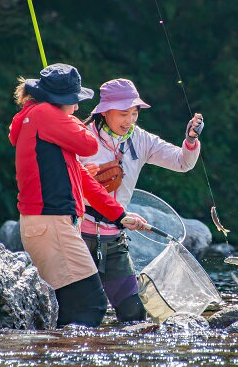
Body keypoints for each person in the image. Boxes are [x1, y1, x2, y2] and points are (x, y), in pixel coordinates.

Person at [8, 63, 145, 328]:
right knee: (90, 305)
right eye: (73, 102)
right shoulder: (46, 114)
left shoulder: (40, 120)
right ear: (60, 101)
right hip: (52, 225)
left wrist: (120, 215)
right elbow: (90, 144)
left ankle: (54, 362)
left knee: (70, 308)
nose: (77, 108)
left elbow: (83, 179)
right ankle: (73, 366)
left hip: (47, 226)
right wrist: (68, 120)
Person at [79, 77, 203, 322]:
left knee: (133, 314)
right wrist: (79, 174)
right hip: (78, 236)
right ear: (104, 112)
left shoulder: (142, 139)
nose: (130, 120)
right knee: (85, 313)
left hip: (114, 238)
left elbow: (182, 163)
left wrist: (190, 141)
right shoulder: (80, 137)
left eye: (134, 113)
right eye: (124, 114)